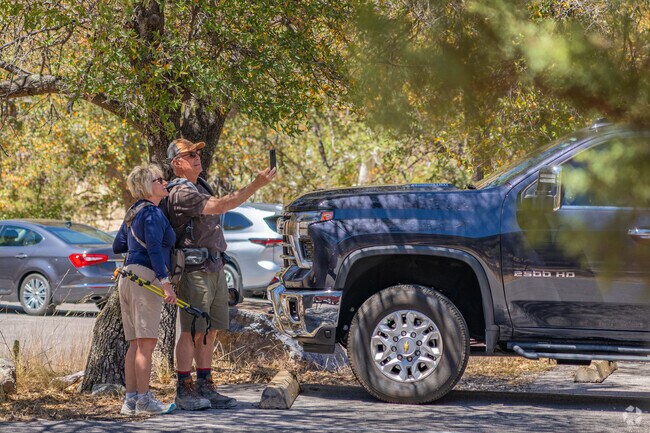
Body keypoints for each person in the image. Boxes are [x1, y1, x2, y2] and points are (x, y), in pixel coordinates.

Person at [166, 138, 275, 410]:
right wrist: (255, 184)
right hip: (194, 271)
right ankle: (184, 389)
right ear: (177, 163)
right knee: (192, 331)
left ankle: (205, 384)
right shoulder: (181, 193)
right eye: (190, 154)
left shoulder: (199, 185)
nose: (197, 157)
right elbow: (220, 206)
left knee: (210, 331)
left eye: (197, 153)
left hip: (214, 268)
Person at [113, 164, 178, 416]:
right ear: (146, 187)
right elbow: (153, 248)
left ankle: (130, 401)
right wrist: (165, 282)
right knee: (146, 345)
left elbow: (118, 245)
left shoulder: (133, 211)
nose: (165, 183)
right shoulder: (152, 213)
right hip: (145, 279)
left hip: (127, 277)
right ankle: (144, 400)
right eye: (159, 180)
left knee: (134, 344)